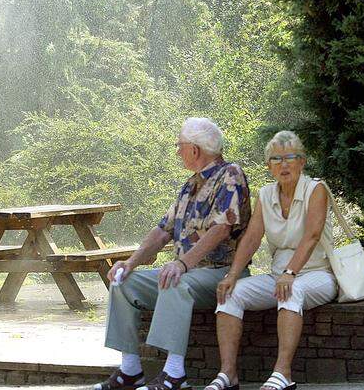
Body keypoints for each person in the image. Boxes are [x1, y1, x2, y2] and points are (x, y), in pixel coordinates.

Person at [93, 117, 251, 390]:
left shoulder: (230, 174)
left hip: (221, 272)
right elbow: (163, 230)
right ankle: (130, 371)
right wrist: (129, 263)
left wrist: (182, 264)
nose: (177, 152)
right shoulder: (190, 185)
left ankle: (174, 375)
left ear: (195, 149)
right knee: (123, 283)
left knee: (174, 280)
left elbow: (221, 229)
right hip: (189, 272)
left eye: (180, 146)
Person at [204, 131, 338, 390]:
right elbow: (252, 237)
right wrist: (232, 274)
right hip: (278, 275)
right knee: (230, 294)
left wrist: (290, 272)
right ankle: (228, 375)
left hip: (317, 274)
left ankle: (283, 373)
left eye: (290, 157)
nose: (284, 164)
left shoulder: (316, 189)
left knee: (291, 289)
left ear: (302, 161)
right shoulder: (265, 194)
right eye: (277, 159)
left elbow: (311, 236)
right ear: (268, 166)